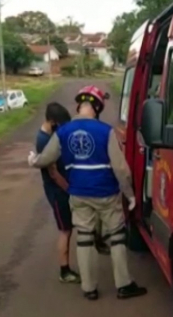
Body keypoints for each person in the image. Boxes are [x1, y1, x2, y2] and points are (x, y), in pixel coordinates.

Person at [27, 86, 147, 301]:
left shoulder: (62, 132)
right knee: (117, 235)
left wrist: (33, 160)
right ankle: (124, 285)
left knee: (84, 237)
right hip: (106, 193)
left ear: (79, 106)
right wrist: (129, 194)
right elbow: (120, 168)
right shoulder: (105, 131)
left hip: (78, 194)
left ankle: (89, 288)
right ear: (98, 108)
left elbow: (46, 158)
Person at [36, 102, 81, 284]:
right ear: (53, 122)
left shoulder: (50, 135)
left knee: (69, 228)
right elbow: (53, 173)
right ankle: (64, 271)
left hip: (62, 188)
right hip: (57, 191)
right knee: (65, 230)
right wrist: (70, 190)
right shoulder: (44, 141)